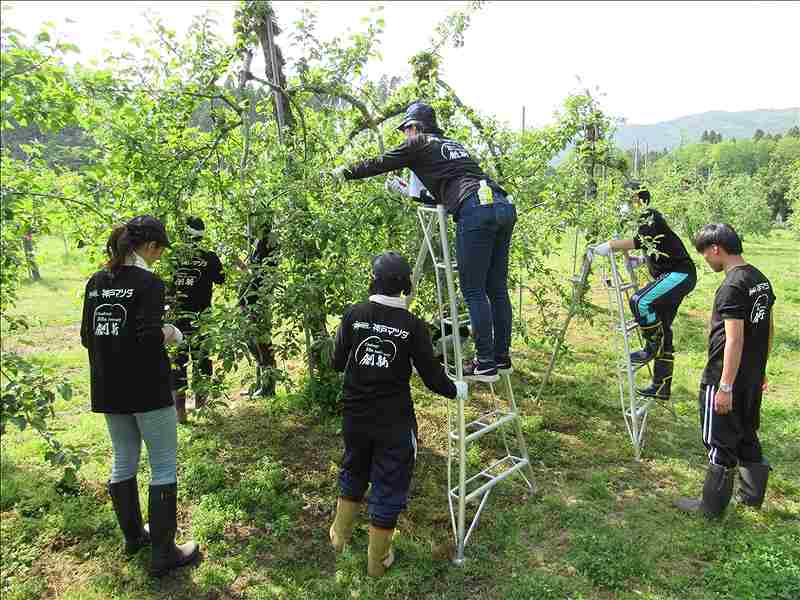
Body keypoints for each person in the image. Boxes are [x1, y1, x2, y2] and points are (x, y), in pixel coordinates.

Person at [331, 101, 516, 382]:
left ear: (415, 128)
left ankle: (485, 364)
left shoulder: (417, 143)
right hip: (501, 204)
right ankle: (501, 357)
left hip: (475, 210)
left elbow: (380, 163)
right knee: (496, 288)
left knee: (474, 290)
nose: (405, 135)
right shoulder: (451, 145)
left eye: (406, 129)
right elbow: (446, 187)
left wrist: (344, 172)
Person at [329, 251, 467, 577]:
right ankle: (377, 562)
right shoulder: (413, 326)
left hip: (355, 415)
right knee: (390, 481)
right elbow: (432, 377)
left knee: (355, 465)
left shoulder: (354, 314)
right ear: (405, 288)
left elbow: (336, 362)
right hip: (394, 421)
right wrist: (456, 390)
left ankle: (339, 537)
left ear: (371, 280)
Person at [80, 215, 199, 576]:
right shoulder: (148, 283)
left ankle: (134, 537)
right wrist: (172, 333)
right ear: (149, 247)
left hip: (108, 385)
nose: (160, 256)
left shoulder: (96, 282)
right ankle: (164, 553)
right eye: (160, 249)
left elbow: (88, 336)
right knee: (163, 463)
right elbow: (148, 336)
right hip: (146, 386)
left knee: (123, 458)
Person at [675, 224, 775, 518]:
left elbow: (735, 339)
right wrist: (760, 370)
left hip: (725, 376)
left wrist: (724, 386)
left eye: (705, 253)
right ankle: (752, 497)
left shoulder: (732, 286)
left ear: (716, 248)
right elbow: (768, 328)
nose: (706, 259)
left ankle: (709, 509)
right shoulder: (759, 279)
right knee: (746, 433)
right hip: (752, 377)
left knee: (718, 440)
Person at [593, 182, 697, 399]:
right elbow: (656, 248)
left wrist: (611, 245)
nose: (624, 206)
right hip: (675, 274)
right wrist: (640, 260)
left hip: (680, 274)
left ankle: (651, 347)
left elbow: (639, 241)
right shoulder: (645, 220)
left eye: (627, 200)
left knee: (640, 301)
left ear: (637, 199)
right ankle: (661, 386)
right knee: (664, 327)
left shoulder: (649, 215)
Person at [169, 216, 225, 423]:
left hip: (177, 318)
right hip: (202, 317)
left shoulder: (173, 258)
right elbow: (221, 278)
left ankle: (180, 412)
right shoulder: (209, 257)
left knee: (178, 361)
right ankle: (201, 407)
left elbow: (167, 286)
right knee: (202, 359)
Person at [237, 220, 279, 397]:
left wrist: (242, 267)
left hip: (258, 301)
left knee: (261, 342)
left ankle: (268, 387)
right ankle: (261, 384)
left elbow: (262, 276)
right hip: (249, 299)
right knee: (251, 340)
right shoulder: (257, 242)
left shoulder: (269, 243)